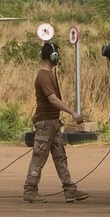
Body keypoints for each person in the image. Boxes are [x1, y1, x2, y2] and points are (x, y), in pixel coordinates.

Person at [23, 42, 90, 203]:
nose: (58, 58)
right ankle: (30, 190)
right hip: (45, 123)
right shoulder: (44, 76)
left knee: (60, 156)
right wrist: (72, 112)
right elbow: (52, 99)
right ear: (53, 56)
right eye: (57, 55)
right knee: (39, 156)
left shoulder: (49, 74)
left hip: (52, 123)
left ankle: (69, 189)